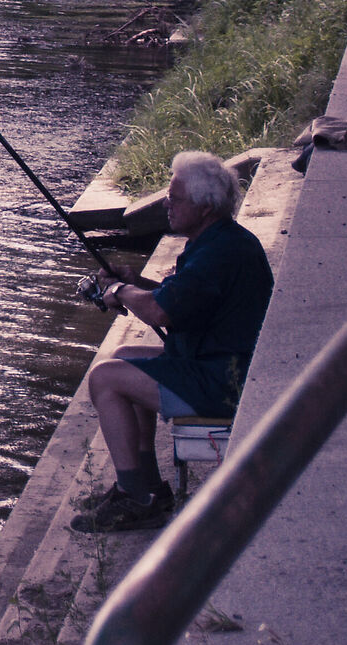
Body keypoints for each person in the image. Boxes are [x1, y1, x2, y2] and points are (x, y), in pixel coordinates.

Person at [73, 149, 275, 533]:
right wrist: (137, 283)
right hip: (223, 365)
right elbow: (181, 296)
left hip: (228, 382)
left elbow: (162, 313)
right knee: (124, 355)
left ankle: (133, 497)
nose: (167, 203)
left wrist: (117, 289)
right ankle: (148, 486)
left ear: (204, 206)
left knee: (106, 377)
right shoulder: (219, 241)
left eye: (175, 197)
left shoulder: (219, 252)